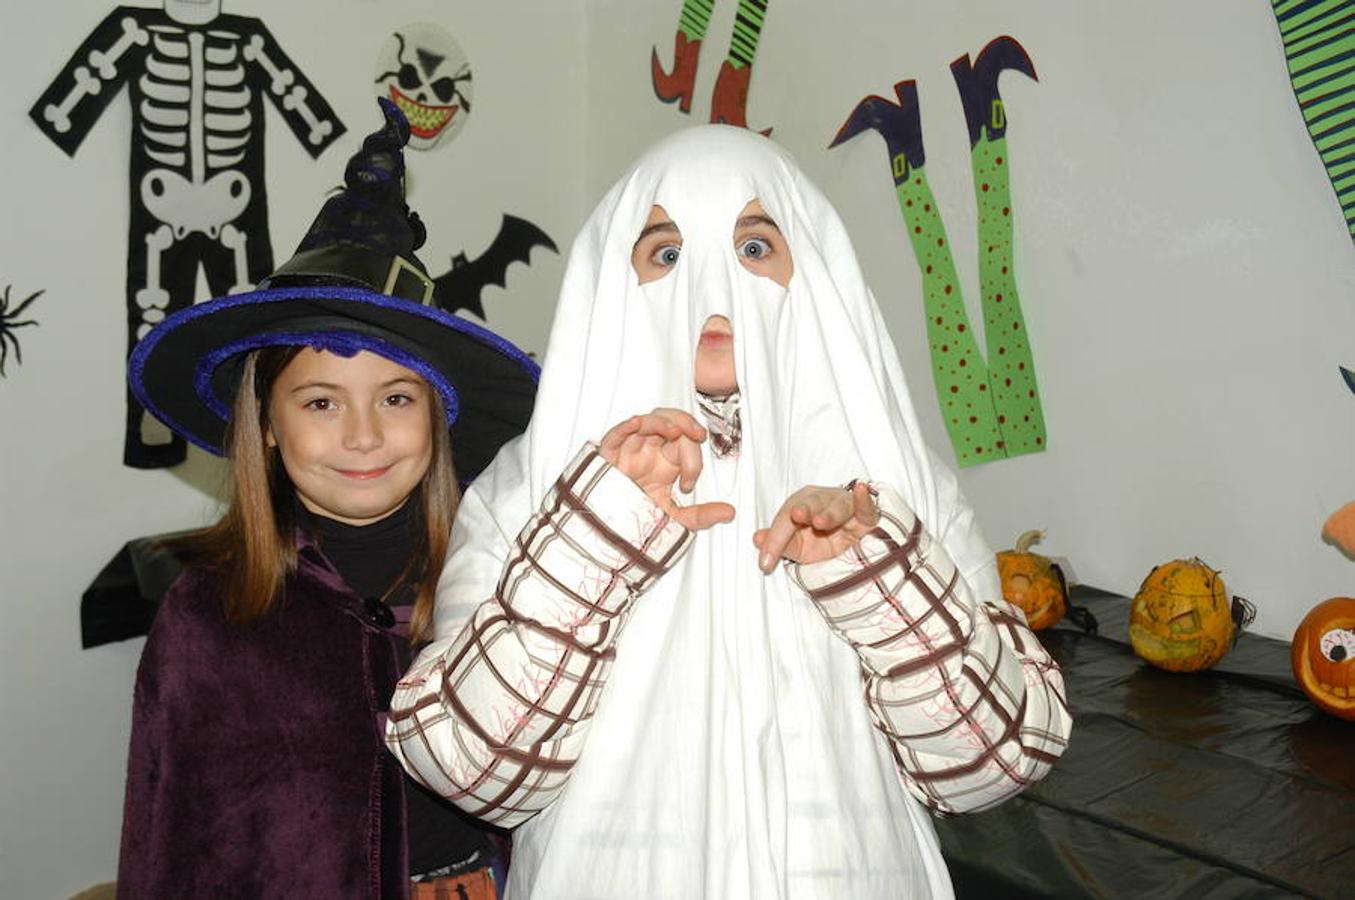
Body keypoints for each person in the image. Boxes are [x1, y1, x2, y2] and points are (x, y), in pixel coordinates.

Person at [386, 125, 1072, 898]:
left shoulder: (900, 484)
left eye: (753, 248)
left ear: (812, 270)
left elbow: (994, 765)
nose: (712, 292)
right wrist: (594, 535)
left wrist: (870, 571)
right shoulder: (530, 485)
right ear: (611, 284)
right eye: (668, 255)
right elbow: (475, 774)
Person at [116, 100, 538, 899]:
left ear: (440, 418)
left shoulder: (508, 591)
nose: (363, 437)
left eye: (395, 399)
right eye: (319, 402)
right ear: (266, 426)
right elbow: (164, 842)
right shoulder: (207, 617)